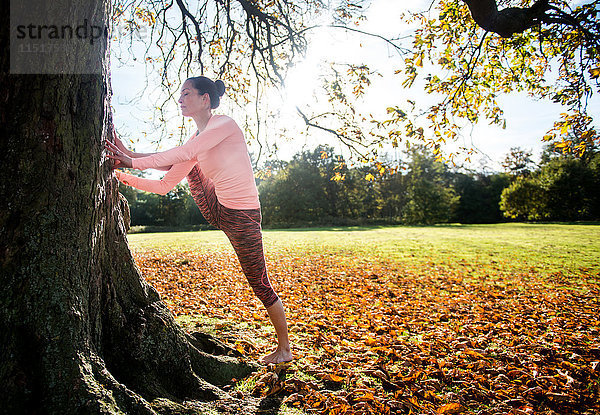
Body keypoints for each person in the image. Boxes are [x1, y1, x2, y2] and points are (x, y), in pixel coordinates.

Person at [105, 76, 293, 364]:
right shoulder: (197, 141)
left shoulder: (224, 125)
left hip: (242, 216)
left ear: (205, 99)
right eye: (180, 95)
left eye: (186, 93)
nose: (180, 99)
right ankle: (127, 159)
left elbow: (184, 154)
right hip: (216, 208)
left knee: (260, 284)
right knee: (187, 165)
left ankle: (284, 350)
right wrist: (123, 172)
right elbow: (166, 182)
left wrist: (131, 160)